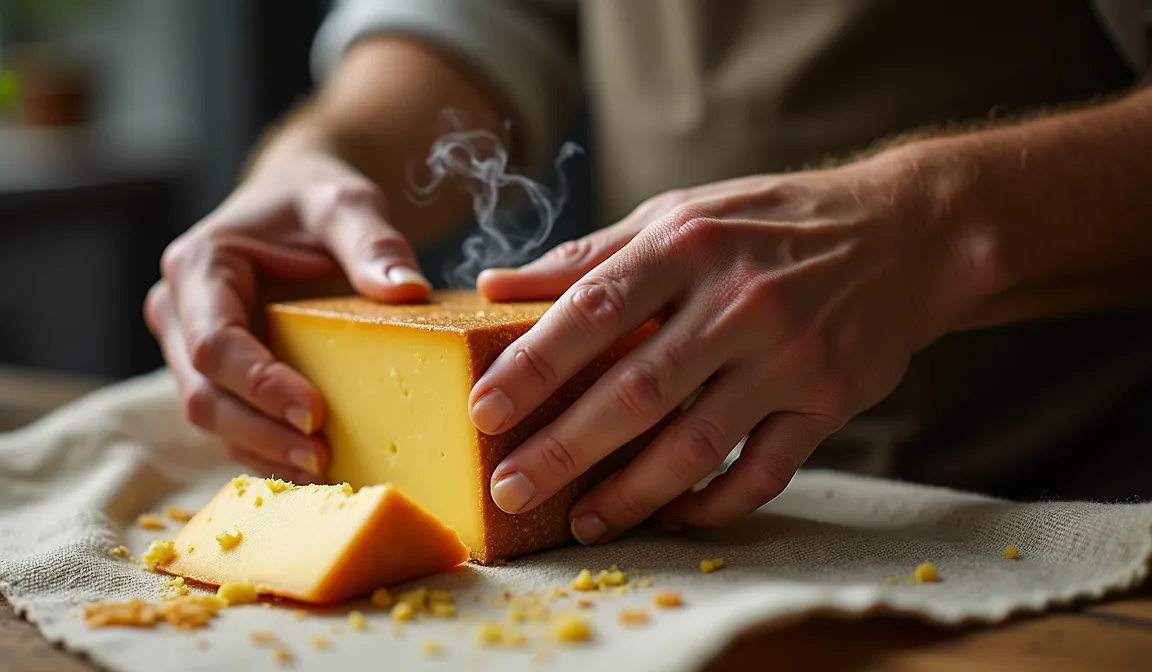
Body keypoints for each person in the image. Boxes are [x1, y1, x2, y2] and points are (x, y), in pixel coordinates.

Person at [144, 1, 1152, 548]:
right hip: (657, 524)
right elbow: (485, 20)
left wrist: (925, 230)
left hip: (1049, 517)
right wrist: (328, 154)